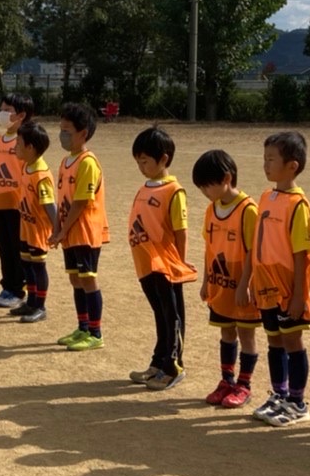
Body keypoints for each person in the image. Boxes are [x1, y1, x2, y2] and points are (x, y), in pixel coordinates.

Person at [239, 131, 310, 426]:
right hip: (264, 285)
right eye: (265, 158)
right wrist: (247, 281)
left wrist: (298, 295)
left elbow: (301, 255)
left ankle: (297, 402)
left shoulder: (298, 205)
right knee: (274, 341)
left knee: (292, 340)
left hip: (286, 288)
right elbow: (255, 244)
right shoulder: (266, 197)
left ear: (292, 166)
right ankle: (279, 395)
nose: (265, 164)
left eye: (271, 159)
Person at [127, 126, 197, 391]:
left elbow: (180, 230)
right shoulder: (145, 187)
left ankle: (173, 367)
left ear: (164, 159)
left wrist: (180, 262)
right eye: (138, 162)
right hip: (146, 264)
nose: (141, 167)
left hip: (166, 266)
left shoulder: (174, 191)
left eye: (145, 161)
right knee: (160, 314)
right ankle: (158, 362)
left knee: (172, 316)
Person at [193, 149, 261, 409]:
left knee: (246, 334)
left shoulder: (248, 210)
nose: (204, 192)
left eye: (207, 186)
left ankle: (244, 384)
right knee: (226, 332)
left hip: (242, 288)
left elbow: (253, 251)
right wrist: (205, 281)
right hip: (220, 285)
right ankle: (227, 380)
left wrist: (245, 284)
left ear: (226, 178)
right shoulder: (211, 209)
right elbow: (209, 247)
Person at [53, 102, 110, 351]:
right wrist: (57, 229)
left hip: (85, 231)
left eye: (67, 131)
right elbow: (61, 200)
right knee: (75, 279)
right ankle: (83, 327)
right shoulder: (65, 162)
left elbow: (81, 202)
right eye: (61, 129)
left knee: (88, 279)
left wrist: (63, 230)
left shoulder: (87, 162)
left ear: (83, 133)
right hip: (69, 232)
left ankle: (95, 333)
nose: (62, 135)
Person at [0, 93, 35, 308]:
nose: (2, 113)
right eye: (1, 109)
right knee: (4, 248)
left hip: (17, 205)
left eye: (8, 110)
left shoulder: (26, 142)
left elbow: (31, 173)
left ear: (21, 115)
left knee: (18, 249)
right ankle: (7, 287)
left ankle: (19, 289)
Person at [10, 121, 57, 324]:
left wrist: (57, 230)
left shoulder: (41, 175)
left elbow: (50, 205)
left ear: (30, 147)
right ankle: (30, 301)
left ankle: (40, 305)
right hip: (26, 227)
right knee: (27, 265)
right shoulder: (27, 167)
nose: (15, 147)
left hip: (38, 230)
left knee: (38, 267)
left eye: (18, 143)